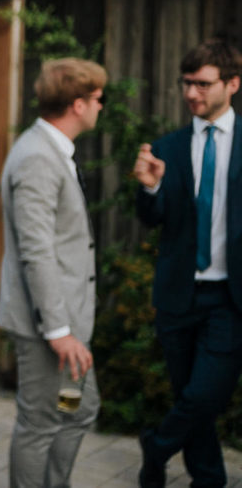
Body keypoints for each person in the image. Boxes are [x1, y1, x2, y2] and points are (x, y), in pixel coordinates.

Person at [133, 39, 242, 488]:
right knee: (188, 394)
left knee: (205, 395)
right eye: (186, 84)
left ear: (232, 84)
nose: (192, 93)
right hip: (178, 291)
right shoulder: (167, 147)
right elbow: (151, 218)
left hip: (230, 297)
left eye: (203, 84)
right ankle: (209, 480)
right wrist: (150, 187)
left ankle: (156, 446)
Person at [0, 57, 106, 487]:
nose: (102, 106)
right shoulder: (38, 157)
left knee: (79, 409)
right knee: (41, 423)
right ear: (79, 104)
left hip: (67, 324)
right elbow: (36, 250)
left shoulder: (51, 150)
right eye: (99, 99)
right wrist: (58, 329)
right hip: (49, 328)